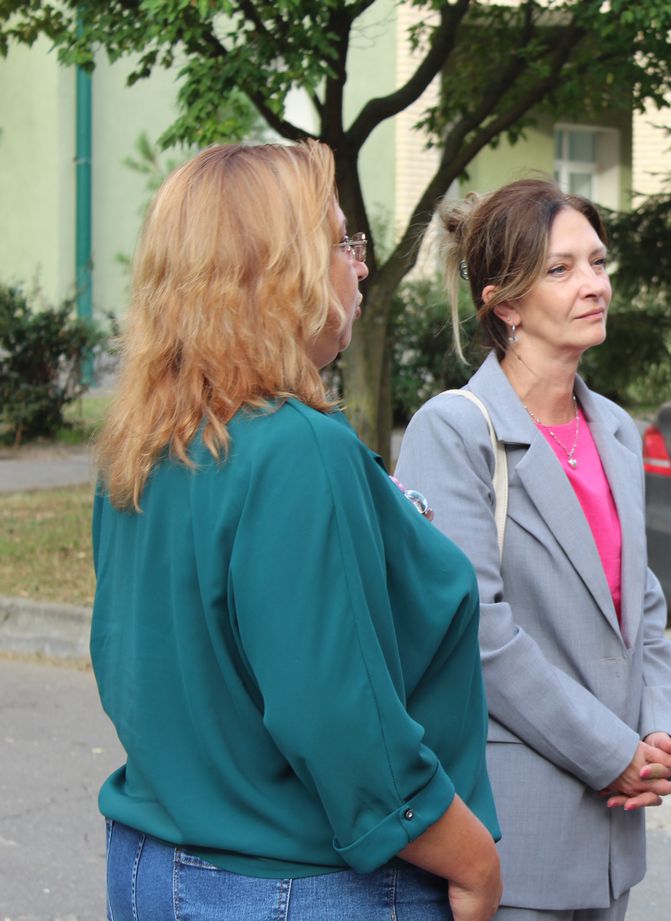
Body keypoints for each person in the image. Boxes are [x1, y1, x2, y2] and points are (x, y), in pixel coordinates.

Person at [91, 141, 502, 921]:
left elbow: (130, 663)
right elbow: (343, 723)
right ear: (282, 273)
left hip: (154, 863)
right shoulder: (297, 447)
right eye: (342, 242)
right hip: (300, 881)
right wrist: (473, 859)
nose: (360, 265)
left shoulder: (145, 445)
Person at [394, 178, 671, 921]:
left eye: (597, 261)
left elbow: (643, 605)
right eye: (561, 269)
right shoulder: (454, 431)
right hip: (515, 835)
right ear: (506, 304)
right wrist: (613, 753)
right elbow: (478, 635)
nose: (594, 284)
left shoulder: (615, 430)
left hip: (615, 833)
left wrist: (661, 734)